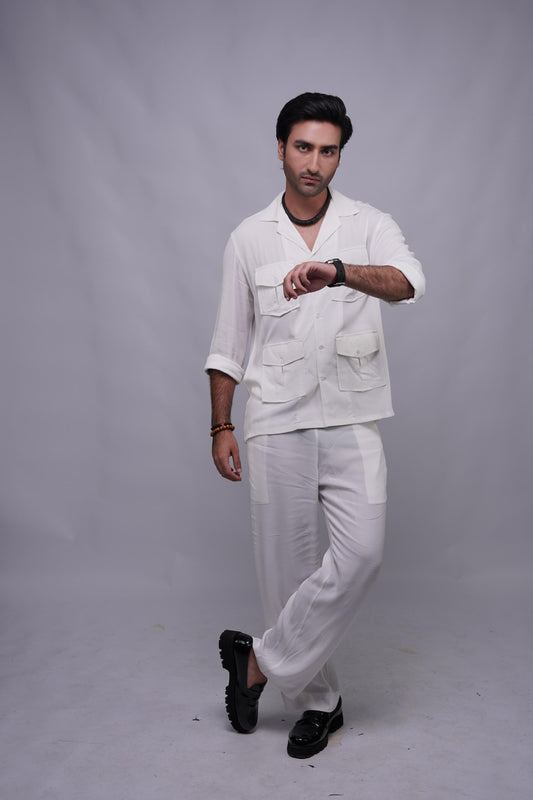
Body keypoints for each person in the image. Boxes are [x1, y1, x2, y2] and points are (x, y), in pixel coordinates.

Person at [205, 92, 425, 758]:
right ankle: (318, 703)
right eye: (303, 147)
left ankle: (255, 663)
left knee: (361, 555)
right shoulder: (249, 237)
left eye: (328, 150)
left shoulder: (368, 223)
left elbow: (408, 282)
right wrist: (220, 426)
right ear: (280, 149)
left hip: (353, 416)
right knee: (288, 575)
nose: (314, 162)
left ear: (339, 156)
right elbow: (227, 342)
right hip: (274, 420)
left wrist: (339, 273)